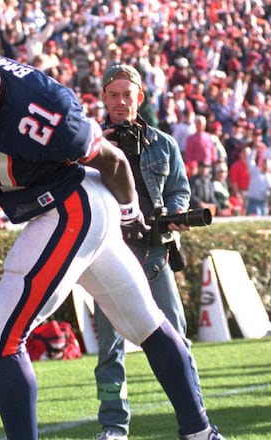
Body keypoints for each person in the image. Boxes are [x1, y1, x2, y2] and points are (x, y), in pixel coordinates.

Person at [0, 39, 224, 440]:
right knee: (146, 323)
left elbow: (113, 161)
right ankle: (200, 432)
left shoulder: (41, 110)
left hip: (70, 206)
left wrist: (130, 213)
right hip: (68, 207)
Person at [93, 64, 203, 440]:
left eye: (128, 94)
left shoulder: (165, 143)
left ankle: (196, 419)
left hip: (156, 253)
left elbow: (179, 189)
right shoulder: (89, 143)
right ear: (104, 98)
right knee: (110, 349)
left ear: (140, 97)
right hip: (109, 255)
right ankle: (113, 426)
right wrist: (95, 149)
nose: (121, 101)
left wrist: (175, 212)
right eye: (114, 94)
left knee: (178, 339)